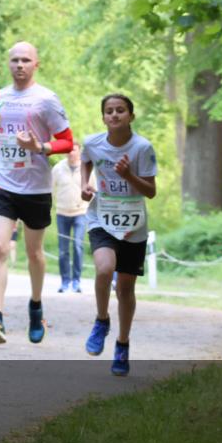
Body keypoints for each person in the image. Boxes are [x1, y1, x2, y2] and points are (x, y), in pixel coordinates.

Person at [0, 41, 74, 345]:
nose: (19, 65)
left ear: (36, 64)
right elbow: (0, 134)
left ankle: (35, 306)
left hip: (36, 187)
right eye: (15, 60)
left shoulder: (46, 100)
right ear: (8, 64)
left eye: (25, 60)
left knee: (33, 253)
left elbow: (68, 141)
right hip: (2, 180)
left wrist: (40, 147)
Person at [80, 94, 157, 376]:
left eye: (120, 110)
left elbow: (150, 191)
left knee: (125, 289)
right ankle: (102, 320)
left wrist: (128, 176)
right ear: (103, 118)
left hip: (133, 223)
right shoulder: (92, 142)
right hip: (101, 216)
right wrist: (84, 185)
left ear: (130, 116)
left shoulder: (142, 148)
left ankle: (122, 344)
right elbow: (85, 160)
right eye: (109, 111)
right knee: (104, 268)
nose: (114, 115)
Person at [52, 143, 90, 293]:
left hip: (81, 213)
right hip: (62, 213)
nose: (71, 153)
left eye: (73, 149)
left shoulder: (86, 168)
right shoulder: (58, 168)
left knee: (78, 246)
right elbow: (51, 189)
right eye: (68, 150)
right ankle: (65, 281)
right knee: (63, 250)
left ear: (79, 151)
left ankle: (76, 281)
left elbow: (94, 189)